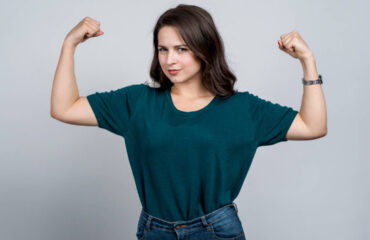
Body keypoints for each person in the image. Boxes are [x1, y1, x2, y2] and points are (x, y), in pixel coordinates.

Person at [50, 4, 327, 240]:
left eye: (182, 49)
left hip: (217, 230)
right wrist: (69, 44)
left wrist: (307, 61)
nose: (170, 60)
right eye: (163, 49)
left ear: (204, 48)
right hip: (154, 229)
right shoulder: (137, 103)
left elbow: (313, 126)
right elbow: (64, 108)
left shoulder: (242, 108)